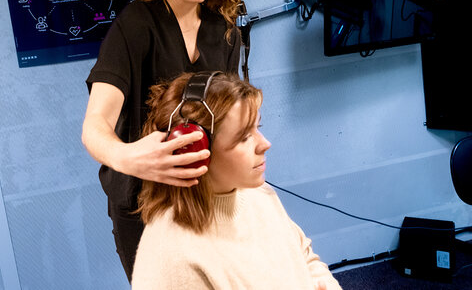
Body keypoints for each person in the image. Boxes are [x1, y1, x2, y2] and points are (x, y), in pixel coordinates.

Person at [81, 0, 242, 281]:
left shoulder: (224, 28)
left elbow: (230, 115)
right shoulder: (136, 25)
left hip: (209, 195)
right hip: (146, 202)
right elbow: (95, 124)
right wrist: (127, 157)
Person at [131, 72, 341, 290]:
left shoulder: (260, 194)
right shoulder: (173, 258)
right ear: (192, 151)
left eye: (257, 128)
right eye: (244, 137)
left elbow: (304, 256)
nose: (265, 144)